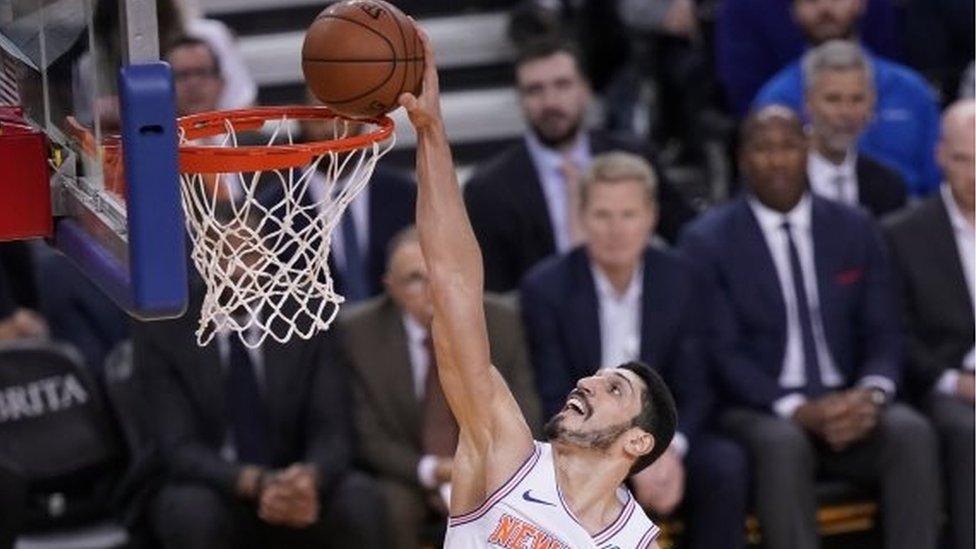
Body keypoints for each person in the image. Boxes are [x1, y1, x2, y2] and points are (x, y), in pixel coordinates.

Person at [399, 30, 674, 548]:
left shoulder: (636, 542)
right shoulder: (503, 451)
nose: (587, 383)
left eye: (613, 388)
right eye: (596, 376)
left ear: (638, 441)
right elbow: (454, 284)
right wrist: (432, 135)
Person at [678, 106, 941, 549]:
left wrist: (871, 395)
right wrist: (796, 408)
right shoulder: (707, 242)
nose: (777, 160)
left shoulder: (854, 227)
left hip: (849, 400)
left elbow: (884, 330)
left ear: (807, 149)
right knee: (784, 445)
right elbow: (722, 353)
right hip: (762, 408)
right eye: (763, 149)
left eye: (787, 146)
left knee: (910, 432)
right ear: (743, 158)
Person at [520, 151, 747, 548]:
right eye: (603, 215)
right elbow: (553, 390)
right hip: (586, 443)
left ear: (651, 216)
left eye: (628, 215)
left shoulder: (684, 279)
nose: (616, 229)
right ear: (582, 217)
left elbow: (697, 386)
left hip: (667, 433)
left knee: (723, 464)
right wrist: (627, 456)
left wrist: (665, 449)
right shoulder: (546, 288)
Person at [133, 276, 390, 549]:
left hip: (294, 479)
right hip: (214, 483)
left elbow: (332, 430)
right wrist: (255, 482)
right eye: (225, 254)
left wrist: (308, 477)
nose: (238, 269)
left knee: (359, 499)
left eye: (250, 253)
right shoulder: (165, 328)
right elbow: (178, 447)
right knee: (193, 512)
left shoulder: (305, 316)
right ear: (201, 259)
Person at [343, 227, 542, 549]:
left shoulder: (502, 321)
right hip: (409, 470)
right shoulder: (359, 334)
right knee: (391, 505)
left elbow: (526, 413)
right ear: (390, 287)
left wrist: (480, 471)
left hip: (490, 465)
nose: (434, 290)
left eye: (442, 274)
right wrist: (433, 471)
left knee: (519, 502)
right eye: (416, 279)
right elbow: (367, 433)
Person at [464, 38, 696, 293]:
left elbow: (687, 234)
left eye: (562, 85)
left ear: (585, 90)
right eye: (535, 90)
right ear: (520, 101)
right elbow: (493, 293)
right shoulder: (489, 190)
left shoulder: (635, 157)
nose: (550, 102)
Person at [882, 99, 975, 549]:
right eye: (963, 160)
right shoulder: (903, 233)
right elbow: (896, 332)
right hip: (944, 386)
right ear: (940, 156)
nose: (974, 175)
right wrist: (955, 382)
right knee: (968, 432)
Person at [754, 0, 941, 196]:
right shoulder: (775, 99)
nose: (825, 8)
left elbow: (939, 183)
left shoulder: (912, 91)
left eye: (857, 99)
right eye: (833, 99)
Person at [715, 0, 900, 116]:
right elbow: (746, 96)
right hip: (785, 131)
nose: (825, 8)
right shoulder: (775, 95)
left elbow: (891, 70)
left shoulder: (906, 88)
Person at [802, 41, 907, 217]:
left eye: (857, 99)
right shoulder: (780, 181)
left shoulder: (889, 185)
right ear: (808, 103)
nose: (846, 112)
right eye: (833, 99)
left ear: (871, 102)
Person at [163, 36, 224, 117]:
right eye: (183, 75)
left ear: (220, 82)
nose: (193, 83)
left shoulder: (239, 128)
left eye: (202, 73)